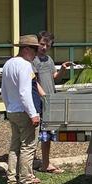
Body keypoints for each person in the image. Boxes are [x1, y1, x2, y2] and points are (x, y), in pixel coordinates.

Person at [1, 34, 46, 184]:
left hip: (13, 111)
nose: (36, 53)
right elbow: (24, 92)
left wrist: (8, 107)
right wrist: (33, 114)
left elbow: (4, 91)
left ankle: (12, 182)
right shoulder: (25, 66)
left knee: (14, 147)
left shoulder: (8, 64)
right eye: (34, 49)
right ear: (26, 49)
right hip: (24, 111)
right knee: (28, 148)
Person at [33, 31, 72, 174]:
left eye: (47, 45)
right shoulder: (33, 60)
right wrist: (43, 96)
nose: (44, 47)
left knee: (47, 134)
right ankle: (39, 163)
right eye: (42, 44)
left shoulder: (48, 60)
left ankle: (45, 162)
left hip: (51, 100)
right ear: (37, 43)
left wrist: (62, 69)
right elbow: (34, 81)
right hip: (40, 101)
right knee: (40, 133)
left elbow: (54, 77)